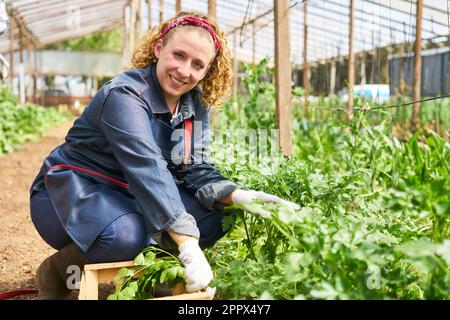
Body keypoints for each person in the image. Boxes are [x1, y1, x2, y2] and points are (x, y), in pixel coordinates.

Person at [29, 11, 299, 300]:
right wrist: (187, 246)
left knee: (215, 217)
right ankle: (59, 271)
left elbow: (193, 166)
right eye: (179, 55)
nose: (185, 71)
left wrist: (237, 196)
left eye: (198, 65)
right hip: (72, 191)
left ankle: (152, 276)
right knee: (126, 236)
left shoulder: (194, 104)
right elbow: (147, 168)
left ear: (207, 71)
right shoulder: (125, 95)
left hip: (129, 195)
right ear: (159, 49)